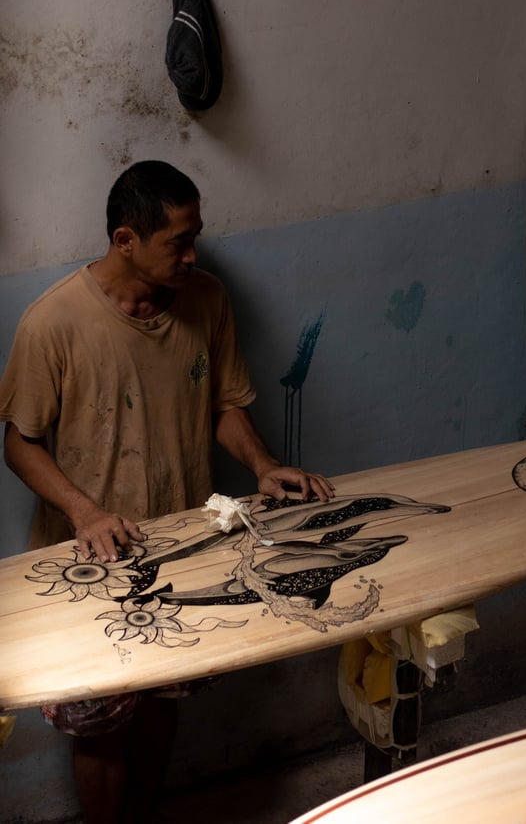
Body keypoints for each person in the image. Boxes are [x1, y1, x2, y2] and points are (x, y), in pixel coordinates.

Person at [0, 160, 334, 823]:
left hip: (181, 548)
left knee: (161, 701)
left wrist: (263, 464)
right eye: (178, 241)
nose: (192, 255)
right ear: (125, 240)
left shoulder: (207, 300)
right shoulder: (53, 321)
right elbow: (19, 442)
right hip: (93, 559)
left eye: (196, 237)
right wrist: (85, 511)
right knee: (101, 724)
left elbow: (226, 405)